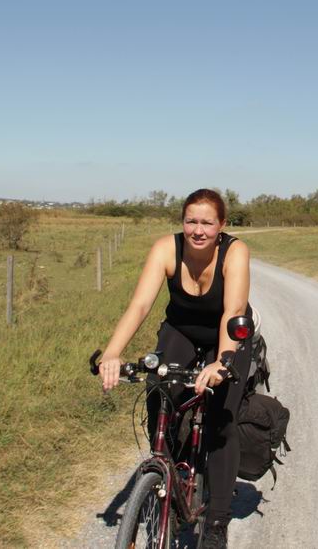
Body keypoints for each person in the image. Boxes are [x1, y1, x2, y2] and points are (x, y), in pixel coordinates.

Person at [99, 188, 253, 549]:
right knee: (160, 393)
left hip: (227, 336)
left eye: (207, 223)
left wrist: (221, 363)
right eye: (191, 221)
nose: (198, 230)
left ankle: (216, 522)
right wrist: (112, 353)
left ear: (222, 225)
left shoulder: (235, 252)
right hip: (181, 330)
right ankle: (171, 478)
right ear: (182, 221)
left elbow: (233, 312)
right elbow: (139, 305)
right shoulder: (166, 249)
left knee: (220, 420)